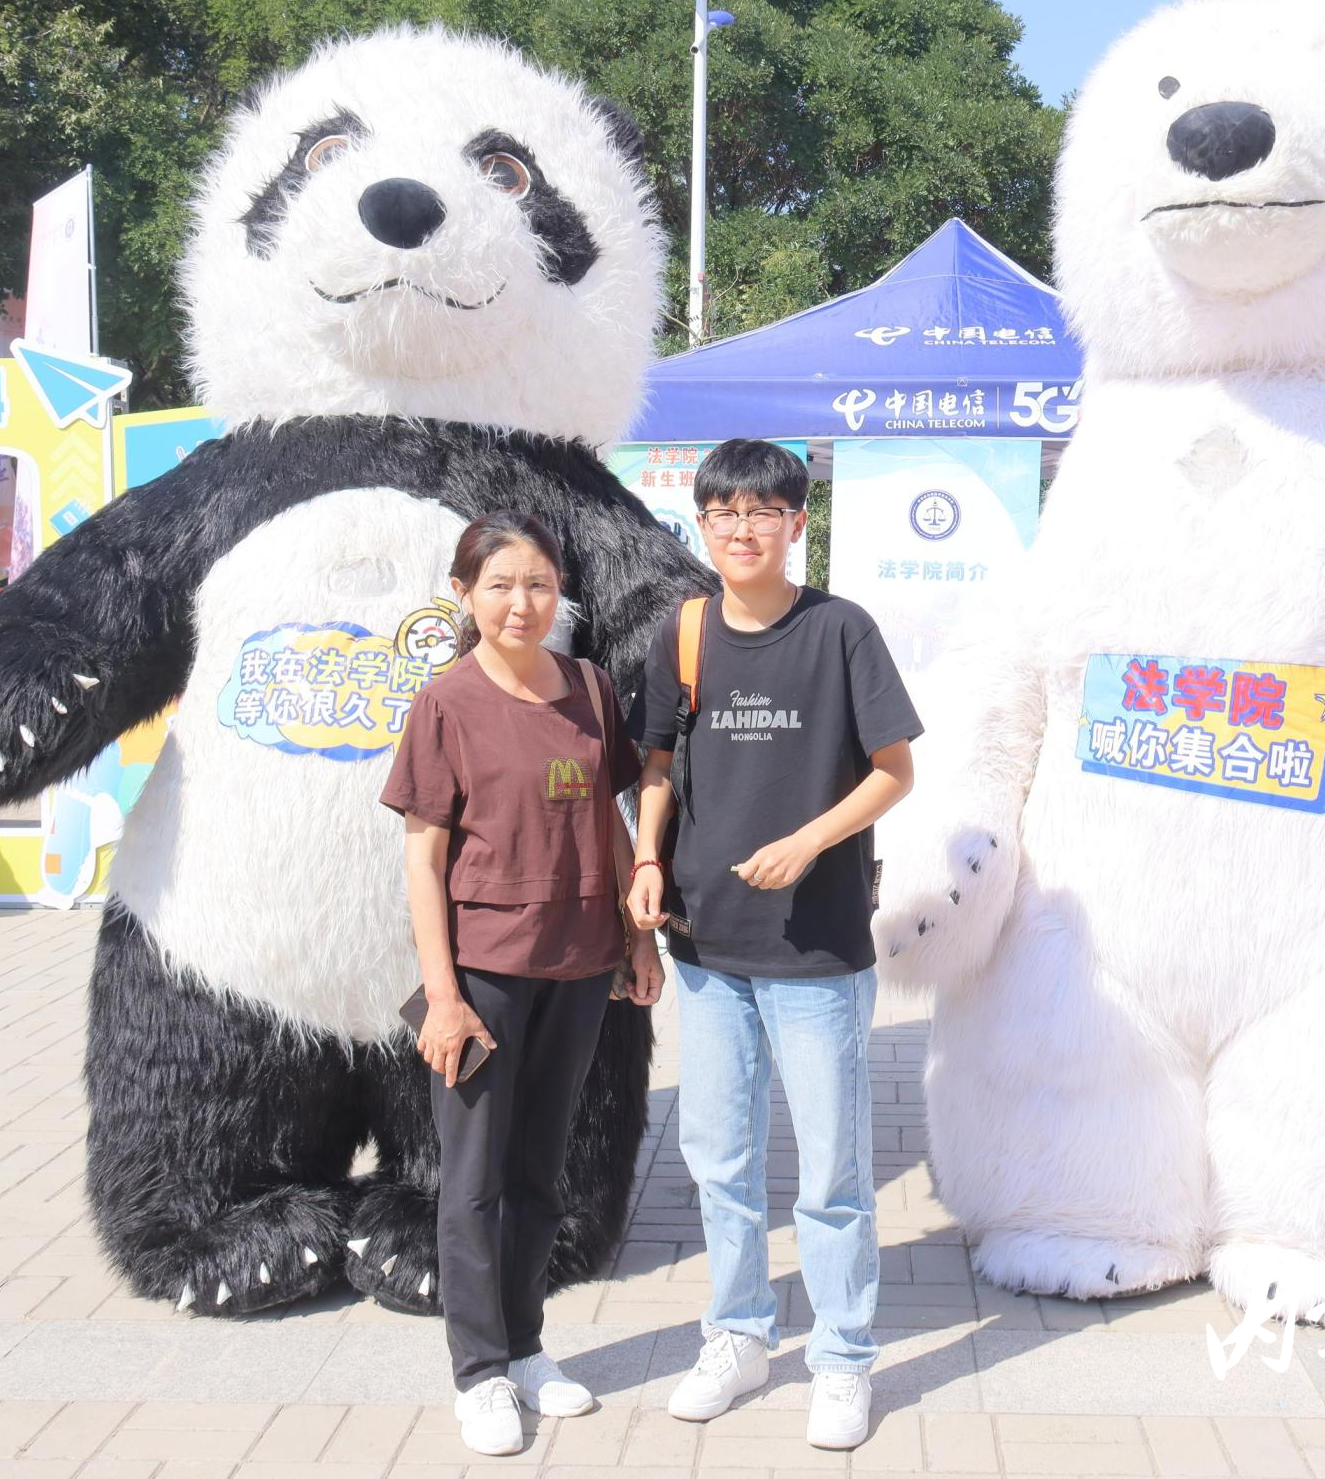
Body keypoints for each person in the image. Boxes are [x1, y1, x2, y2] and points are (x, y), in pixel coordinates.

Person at [627, 439, 920, 1452]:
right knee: (718, 1159)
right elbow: (656, 764)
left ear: (798, 523)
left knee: (832, 1173)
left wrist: (808, 841)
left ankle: (842, 1358)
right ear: (702, 525)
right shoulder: (684, 631)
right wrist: (646, 859)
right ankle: (739, 1335)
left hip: (817, 949)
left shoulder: (840, 630)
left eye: (763, 512)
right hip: (705, 942)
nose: (742, 529)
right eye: (724, 513)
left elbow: (893, 772)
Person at [379, 510, 664, 1459]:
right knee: (472, 1179)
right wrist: (444, 995)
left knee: (543, 1170)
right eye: (500, 585)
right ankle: (479, 1373)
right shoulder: (447, 705)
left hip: (578, 965)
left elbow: (610, 818)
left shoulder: (587, 687)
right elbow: (423, 861)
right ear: (464, 594)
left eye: (538, 584)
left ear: (559, 592)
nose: (521, 603)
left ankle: (527, 1346)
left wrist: (634, 936)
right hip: (484, 975)